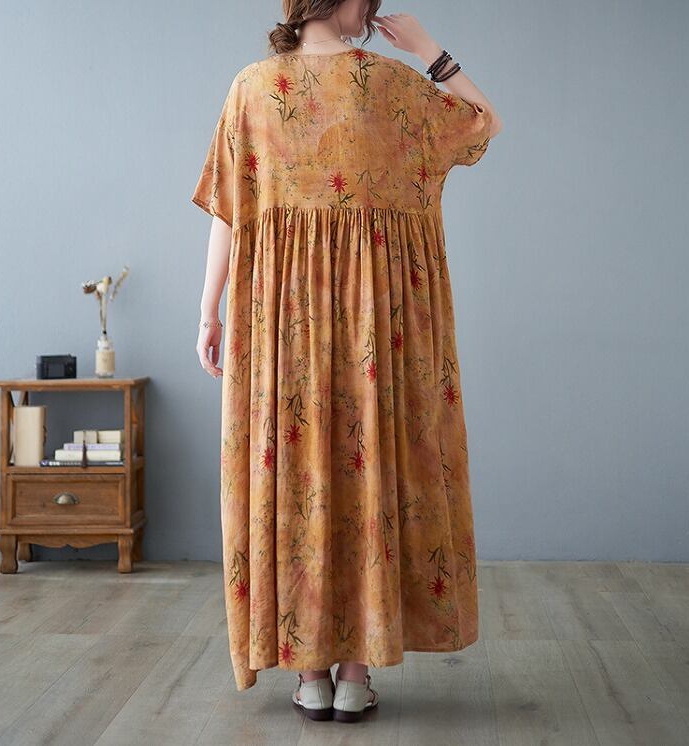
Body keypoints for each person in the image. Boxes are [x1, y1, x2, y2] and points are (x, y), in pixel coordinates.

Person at [192, 0, 502, 723]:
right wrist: (430, 49)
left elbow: (228, 210)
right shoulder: (392, 86)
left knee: (298, 472)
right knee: (366, 471)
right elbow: (484, 121)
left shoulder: (253, 87)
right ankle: (356, 671)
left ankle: (311, 670)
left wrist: (209, 312)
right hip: (375, 329)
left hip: (283, 327)